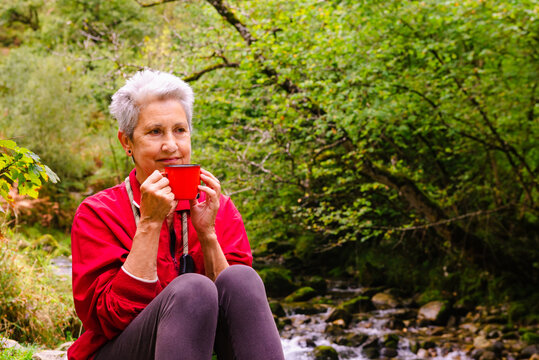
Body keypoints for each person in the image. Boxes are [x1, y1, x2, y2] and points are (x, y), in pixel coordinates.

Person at [68, 69, 285, 360]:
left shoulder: (216, 206)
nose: (171, 145)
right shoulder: (98, 213)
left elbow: (234, 315)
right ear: (127, 142)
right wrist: (149, 223)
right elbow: (107, 320)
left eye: (180, 130)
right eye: (155, 131)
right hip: (118, 350)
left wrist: (207, 235)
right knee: (192, 288)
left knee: (241, 278)